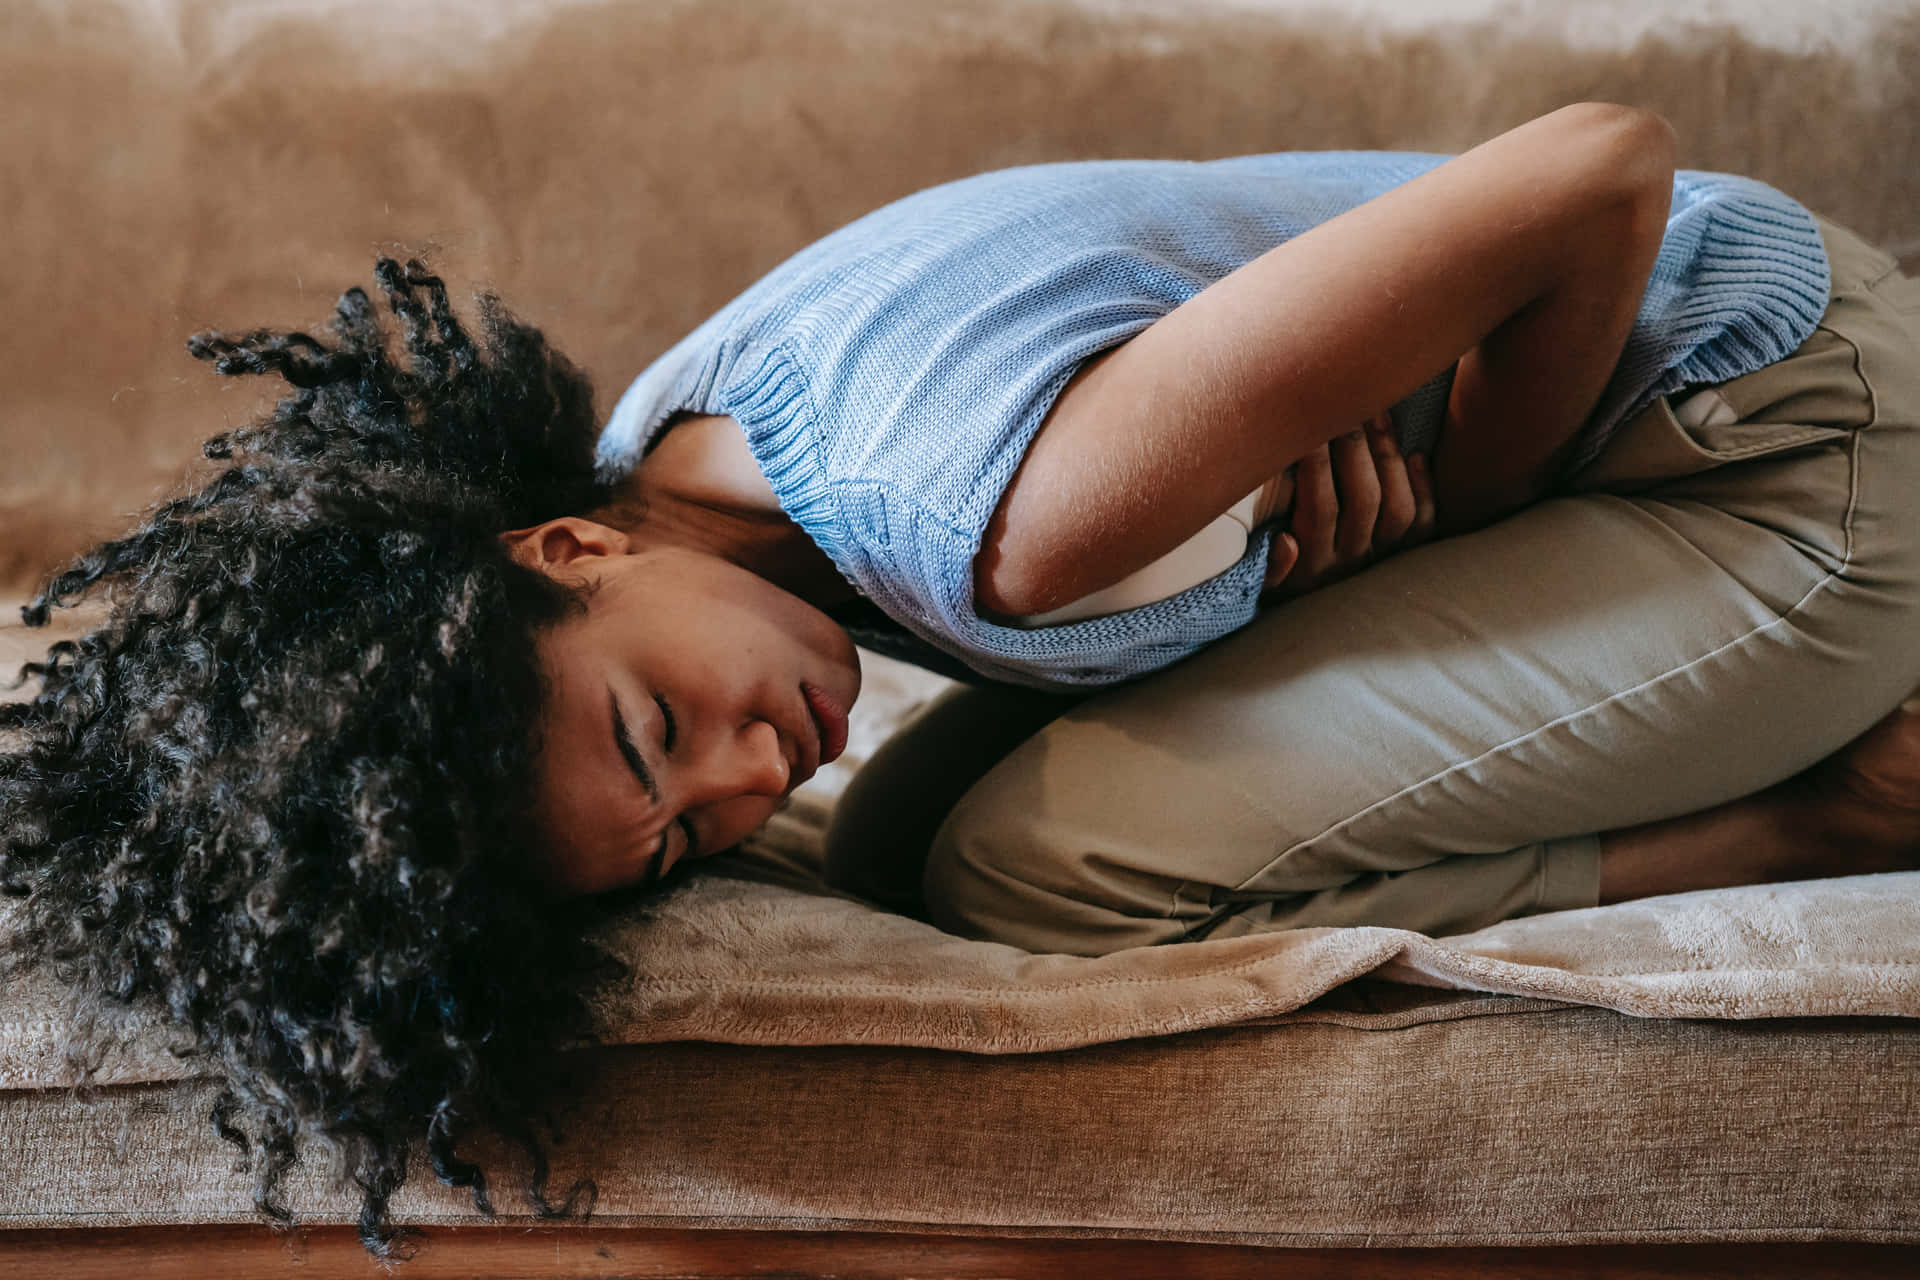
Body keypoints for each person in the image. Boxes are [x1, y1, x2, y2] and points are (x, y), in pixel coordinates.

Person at [4, 101, 1916, 1254]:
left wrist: (1467, 513)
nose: (749, 783)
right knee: (902, 837)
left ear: (560, 554)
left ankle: (1832, 806)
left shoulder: (1002, 515)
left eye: (655, 730)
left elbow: (1599, 167)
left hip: (1787, 446)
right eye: (680, 840)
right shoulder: (682, 453)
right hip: (1717, 413)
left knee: (1031, 877)